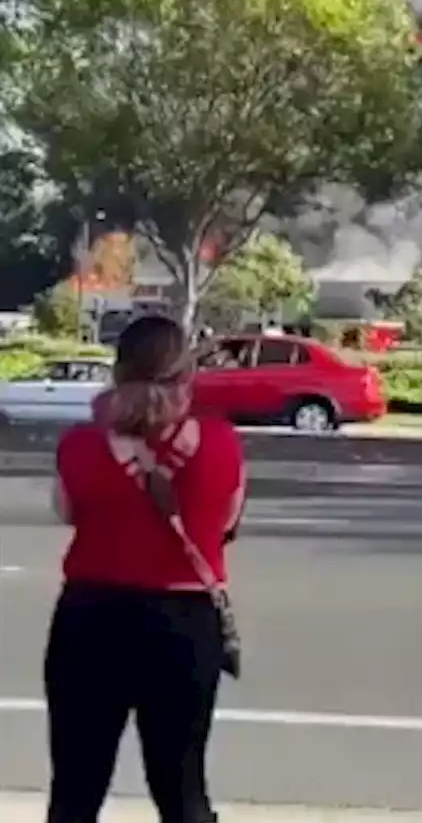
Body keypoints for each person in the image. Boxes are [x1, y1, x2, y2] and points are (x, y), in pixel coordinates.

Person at [45, 314, 246, 823]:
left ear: (118, 370)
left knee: (75, 789)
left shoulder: (80, 445)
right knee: (182, 790)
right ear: (186, 372)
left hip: (91, 619)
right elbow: (225, 523)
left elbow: (68, 513)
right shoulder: (221, 442)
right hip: (183, 623)